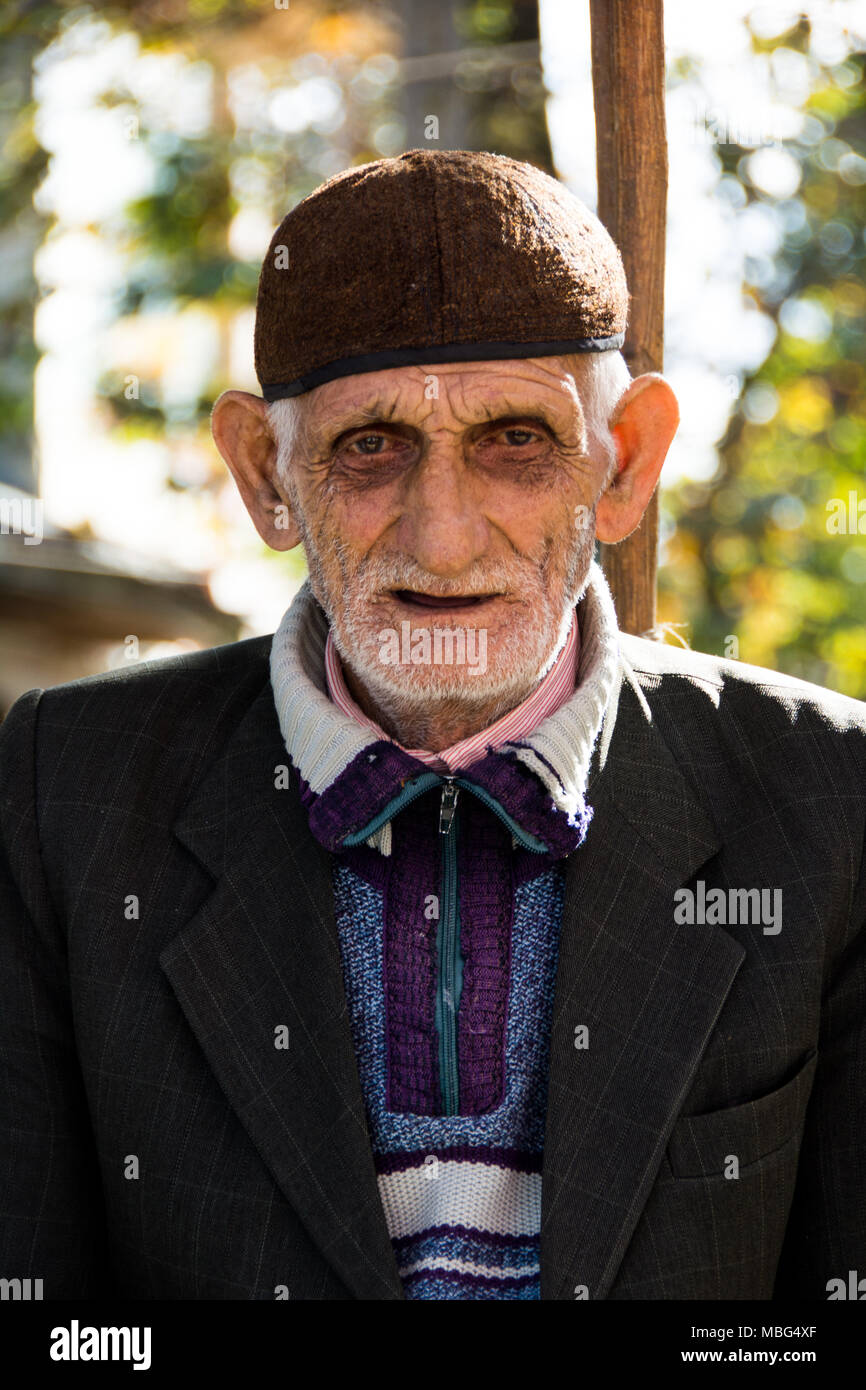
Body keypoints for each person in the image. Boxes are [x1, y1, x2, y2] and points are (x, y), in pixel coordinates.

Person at [0, 149, 863, 1301]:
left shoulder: (827, 798)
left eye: (515, 439)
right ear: (267, 473)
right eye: (370, 446)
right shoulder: (68, 790)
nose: (444, 538)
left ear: (624, 463)